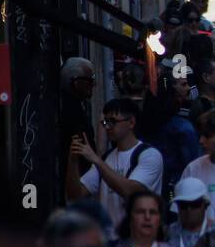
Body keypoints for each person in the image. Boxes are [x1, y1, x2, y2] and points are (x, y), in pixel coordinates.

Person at [66, 97, 164, 231]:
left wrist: (95, 159)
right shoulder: (106, 159)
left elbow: (131, 192)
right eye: (105, 122)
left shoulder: (149, 155)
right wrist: (73, 160)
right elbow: (75, 196)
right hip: (108, 239)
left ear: (131, 122)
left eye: (112, 121)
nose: (107, 127)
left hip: (137, 237)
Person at [168, 178, 213, 247]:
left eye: (195, 204)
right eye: (183, 205)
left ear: (205, 205)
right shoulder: (167, 234)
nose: (189, 210)